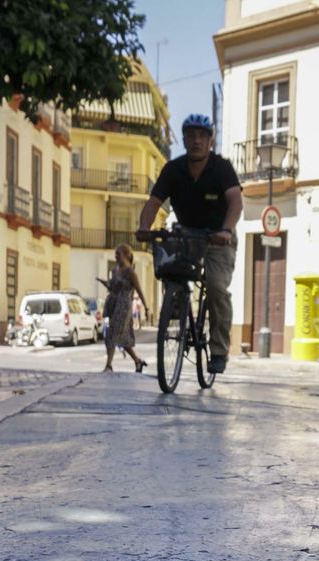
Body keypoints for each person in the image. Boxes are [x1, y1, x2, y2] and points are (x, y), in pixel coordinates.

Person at [137, 113, 243, 375]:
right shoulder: (173, 169)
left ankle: (219, 350)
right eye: (191, 135)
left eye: (202, 136)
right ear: (183, 140)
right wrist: (143, 228)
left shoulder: (222, 168)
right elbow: (153, 203)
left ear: (210, 141)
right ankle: (178, 304)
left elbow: (235, 202)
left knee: (216, 287)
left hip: (219, 237)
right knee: (171, 270)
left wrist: (227, 230)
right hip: (187, 235)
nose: (196, 140)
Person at [100, 245, 147, 374]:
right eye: (115, 254)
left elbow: (139, 290)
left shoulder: (131, 272)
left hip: (124, 306)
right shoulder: (115, 270)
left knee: (112, 334)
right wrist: (107, 284)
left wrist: (146, 307)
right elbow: (113, 288)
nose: (116, 256)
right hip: (113, 304)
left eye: (118, 254)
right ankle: (138, 361)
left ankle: (108, 365)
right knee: (122, 338)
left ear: (126, 255)